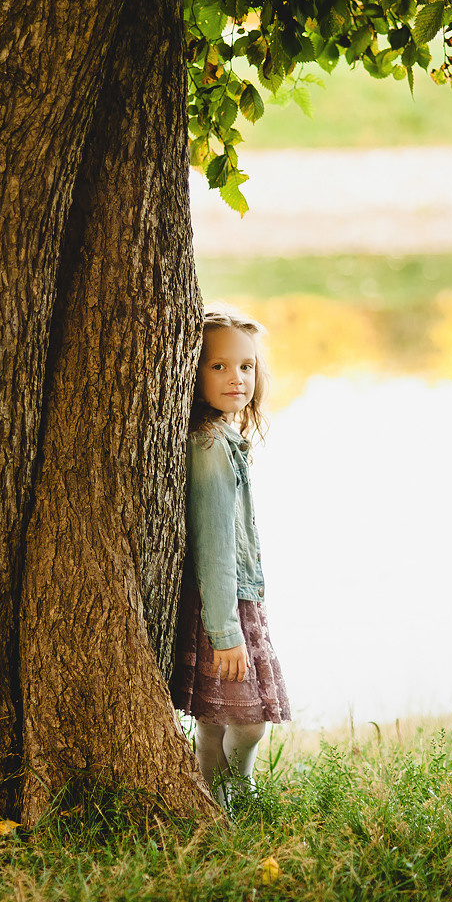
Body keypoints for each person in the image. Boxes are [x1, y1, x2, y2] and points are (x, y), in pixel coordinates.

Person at [170, 306, 291, 810]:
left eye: (246, 366)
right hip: (223, 603)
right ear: (191, 369)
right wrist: (225, 631)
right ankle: (239, 788)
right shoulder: (211, 446)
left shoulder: (221, 437)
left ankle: (220, 801)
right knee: (248, 717)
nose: (236, 378)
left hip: (229, 598)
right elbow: (214, 543)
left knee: (217, 716)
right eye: (218, 366)